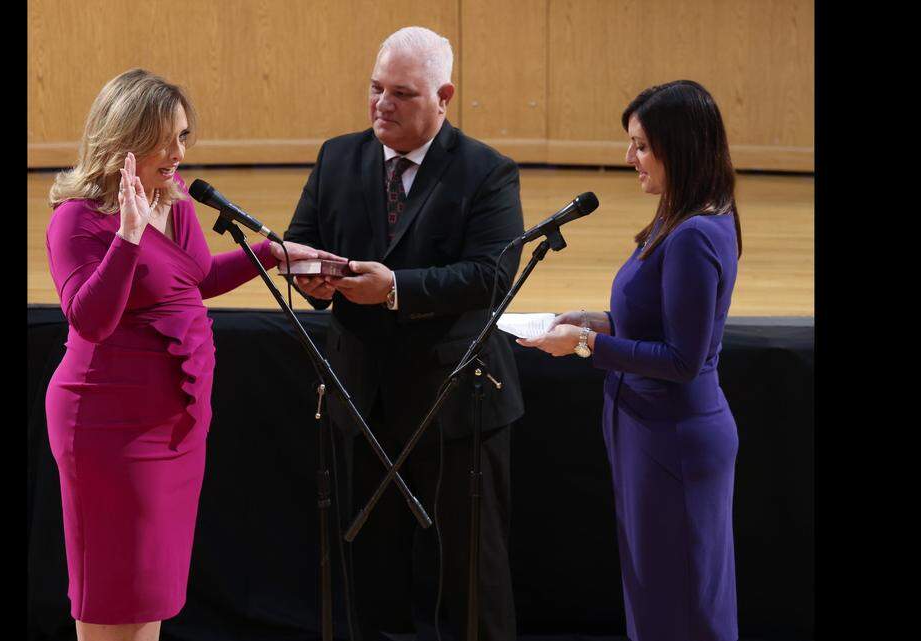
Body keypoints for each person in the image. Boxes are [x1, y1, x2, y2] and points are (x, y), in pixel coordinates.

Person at [44, 68, 324, 641]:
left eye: (184, 136)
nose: (178, 152)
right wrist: (127, 235)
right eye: (165, 138)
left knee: (149, 591)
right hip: (107, 425)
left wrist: (268, 253)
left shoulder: (176, 204)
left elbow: (190, 280)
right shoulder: (77, 219)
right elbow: (90, 319)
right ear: (125, 138)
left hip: (174, 423)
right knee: (111, 592)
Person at [283, 26, 525, 641]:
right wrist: (310, 276)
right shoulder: (338, 156)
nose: (381, 105)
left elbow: (491, 277)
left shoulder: (488, 171)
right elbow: (301, 241)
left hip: (454, 401)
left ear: (443, 97)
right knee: (370, 563)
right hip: (362, 392)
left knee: (472, 572)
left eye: (402, 93)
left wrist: (397, 288)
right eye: (374, 88)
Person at [518, 80, 742, 641]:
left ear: (679, 146)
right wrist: (598, 322)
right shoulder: (682, 217)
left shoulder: (693, 235)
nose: (629, 158)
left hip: (675, 442)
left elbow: (683, 358)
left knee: (682, 605)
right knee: (657, 596)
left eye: (641, 146)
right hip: (647, 432)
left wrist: (588, 344)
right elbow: (662, 325)